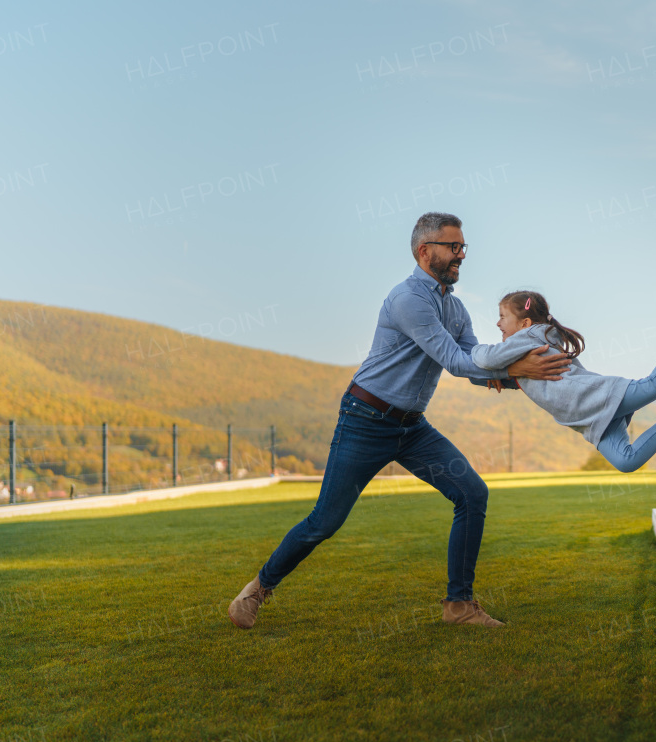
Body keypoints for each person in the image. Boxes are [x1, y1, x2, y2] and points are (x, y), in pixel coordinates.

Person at [228, 213, 570, 631]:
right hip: (365, 420)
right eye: (453, 247)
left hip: (412, 429)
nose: (462, 254)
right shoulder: (409, 299)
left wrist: (536, 375)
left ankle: (458, 605)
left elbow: (477, 363)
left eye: (464, 247)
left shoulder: (455, 308)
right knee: (325, 522)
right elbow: (458, 363)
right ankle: (258, 588)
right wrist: (522, 371)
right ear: (425, 251)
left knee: (472, 494)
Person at [471, 291, 656, 473]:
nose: (497, 324)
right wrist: (503, 378)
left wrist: (471, 351)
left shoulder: (526, 337)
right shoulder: (528, 346)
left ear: (525, 323)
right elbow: (519, 377)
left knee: (652, 386)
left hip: (595, 398)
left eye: (502, 317)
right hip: (590, 419)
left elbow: (483, 359)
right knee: (627, 461)